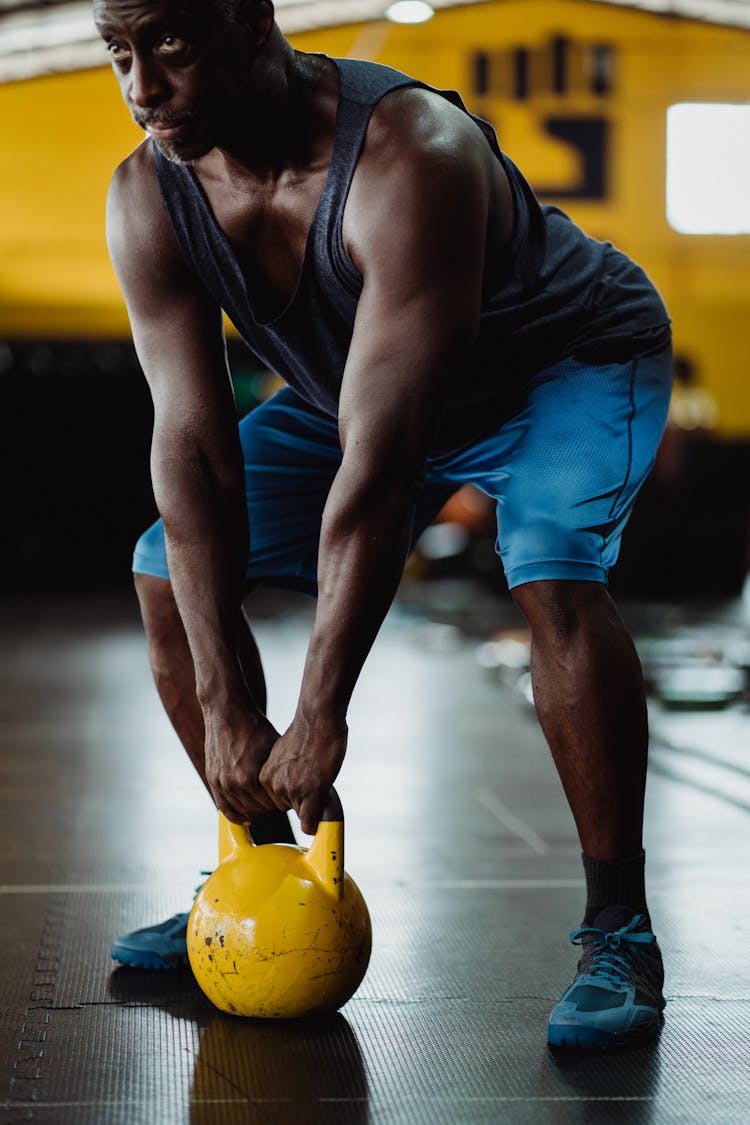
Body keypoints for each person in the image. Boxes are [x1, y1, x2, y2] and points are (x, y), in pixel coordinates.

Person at [95, 0, 672, 1050]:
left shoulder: (413, 154)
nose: (141, 87)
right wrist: (229, 706)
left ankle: (619, 930)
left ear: (247, 18)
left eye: (169, 47)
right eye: (119, 53)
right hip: (353, 394)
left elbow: (386, 465)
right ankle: (262, 878)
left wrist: (320, 710)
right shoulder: (148, 194)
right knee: (162, 572)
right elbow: (189, 444)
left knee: (549, 570)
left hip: (559, 367)